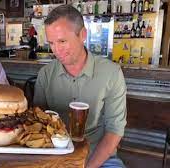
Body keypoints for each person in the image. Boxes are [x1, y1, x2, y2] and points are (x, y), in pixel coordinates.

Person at [33, 5, 127, 168]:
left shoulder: (111, 73)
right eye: (51, 43)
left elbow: (115, 130)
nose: (56, 50)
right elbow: (38, 123)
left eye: (62, 41)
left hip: (98, 157)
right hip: (55, 156)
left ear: (82, 34)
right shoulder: (45, 74)